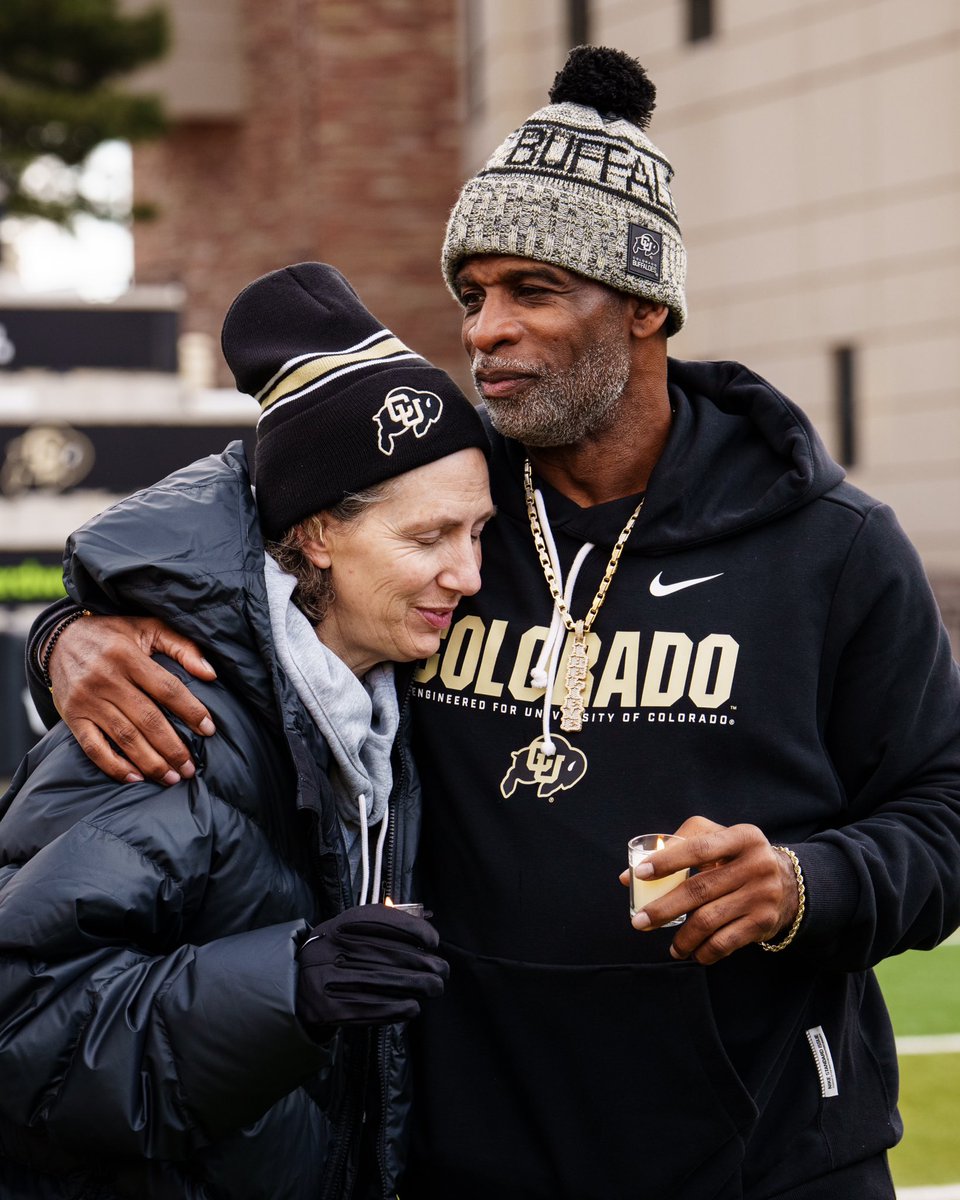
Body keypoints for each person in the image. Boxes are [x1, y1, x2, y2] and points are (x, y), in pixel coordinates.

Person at [24, 45, 960, 1200]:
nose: (485, 330)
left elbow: (943, 812)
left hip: (761, 1154)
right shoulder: (443, 493)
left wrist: (809, 885)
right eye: (472, 296)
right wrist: (73, 628)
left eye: (533, 290)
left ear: (648, 305)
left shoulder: (829, 542)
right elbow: (227, 515)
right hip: (464, 1150)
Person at [0, 261, 494, 1199]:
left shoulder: (386, 697)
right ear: (312, 534)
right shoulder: (155, 719)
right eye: (428, 539)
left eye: (479, 533)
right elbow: (21, 1031)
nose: (468, 575)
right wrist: (288, 988)